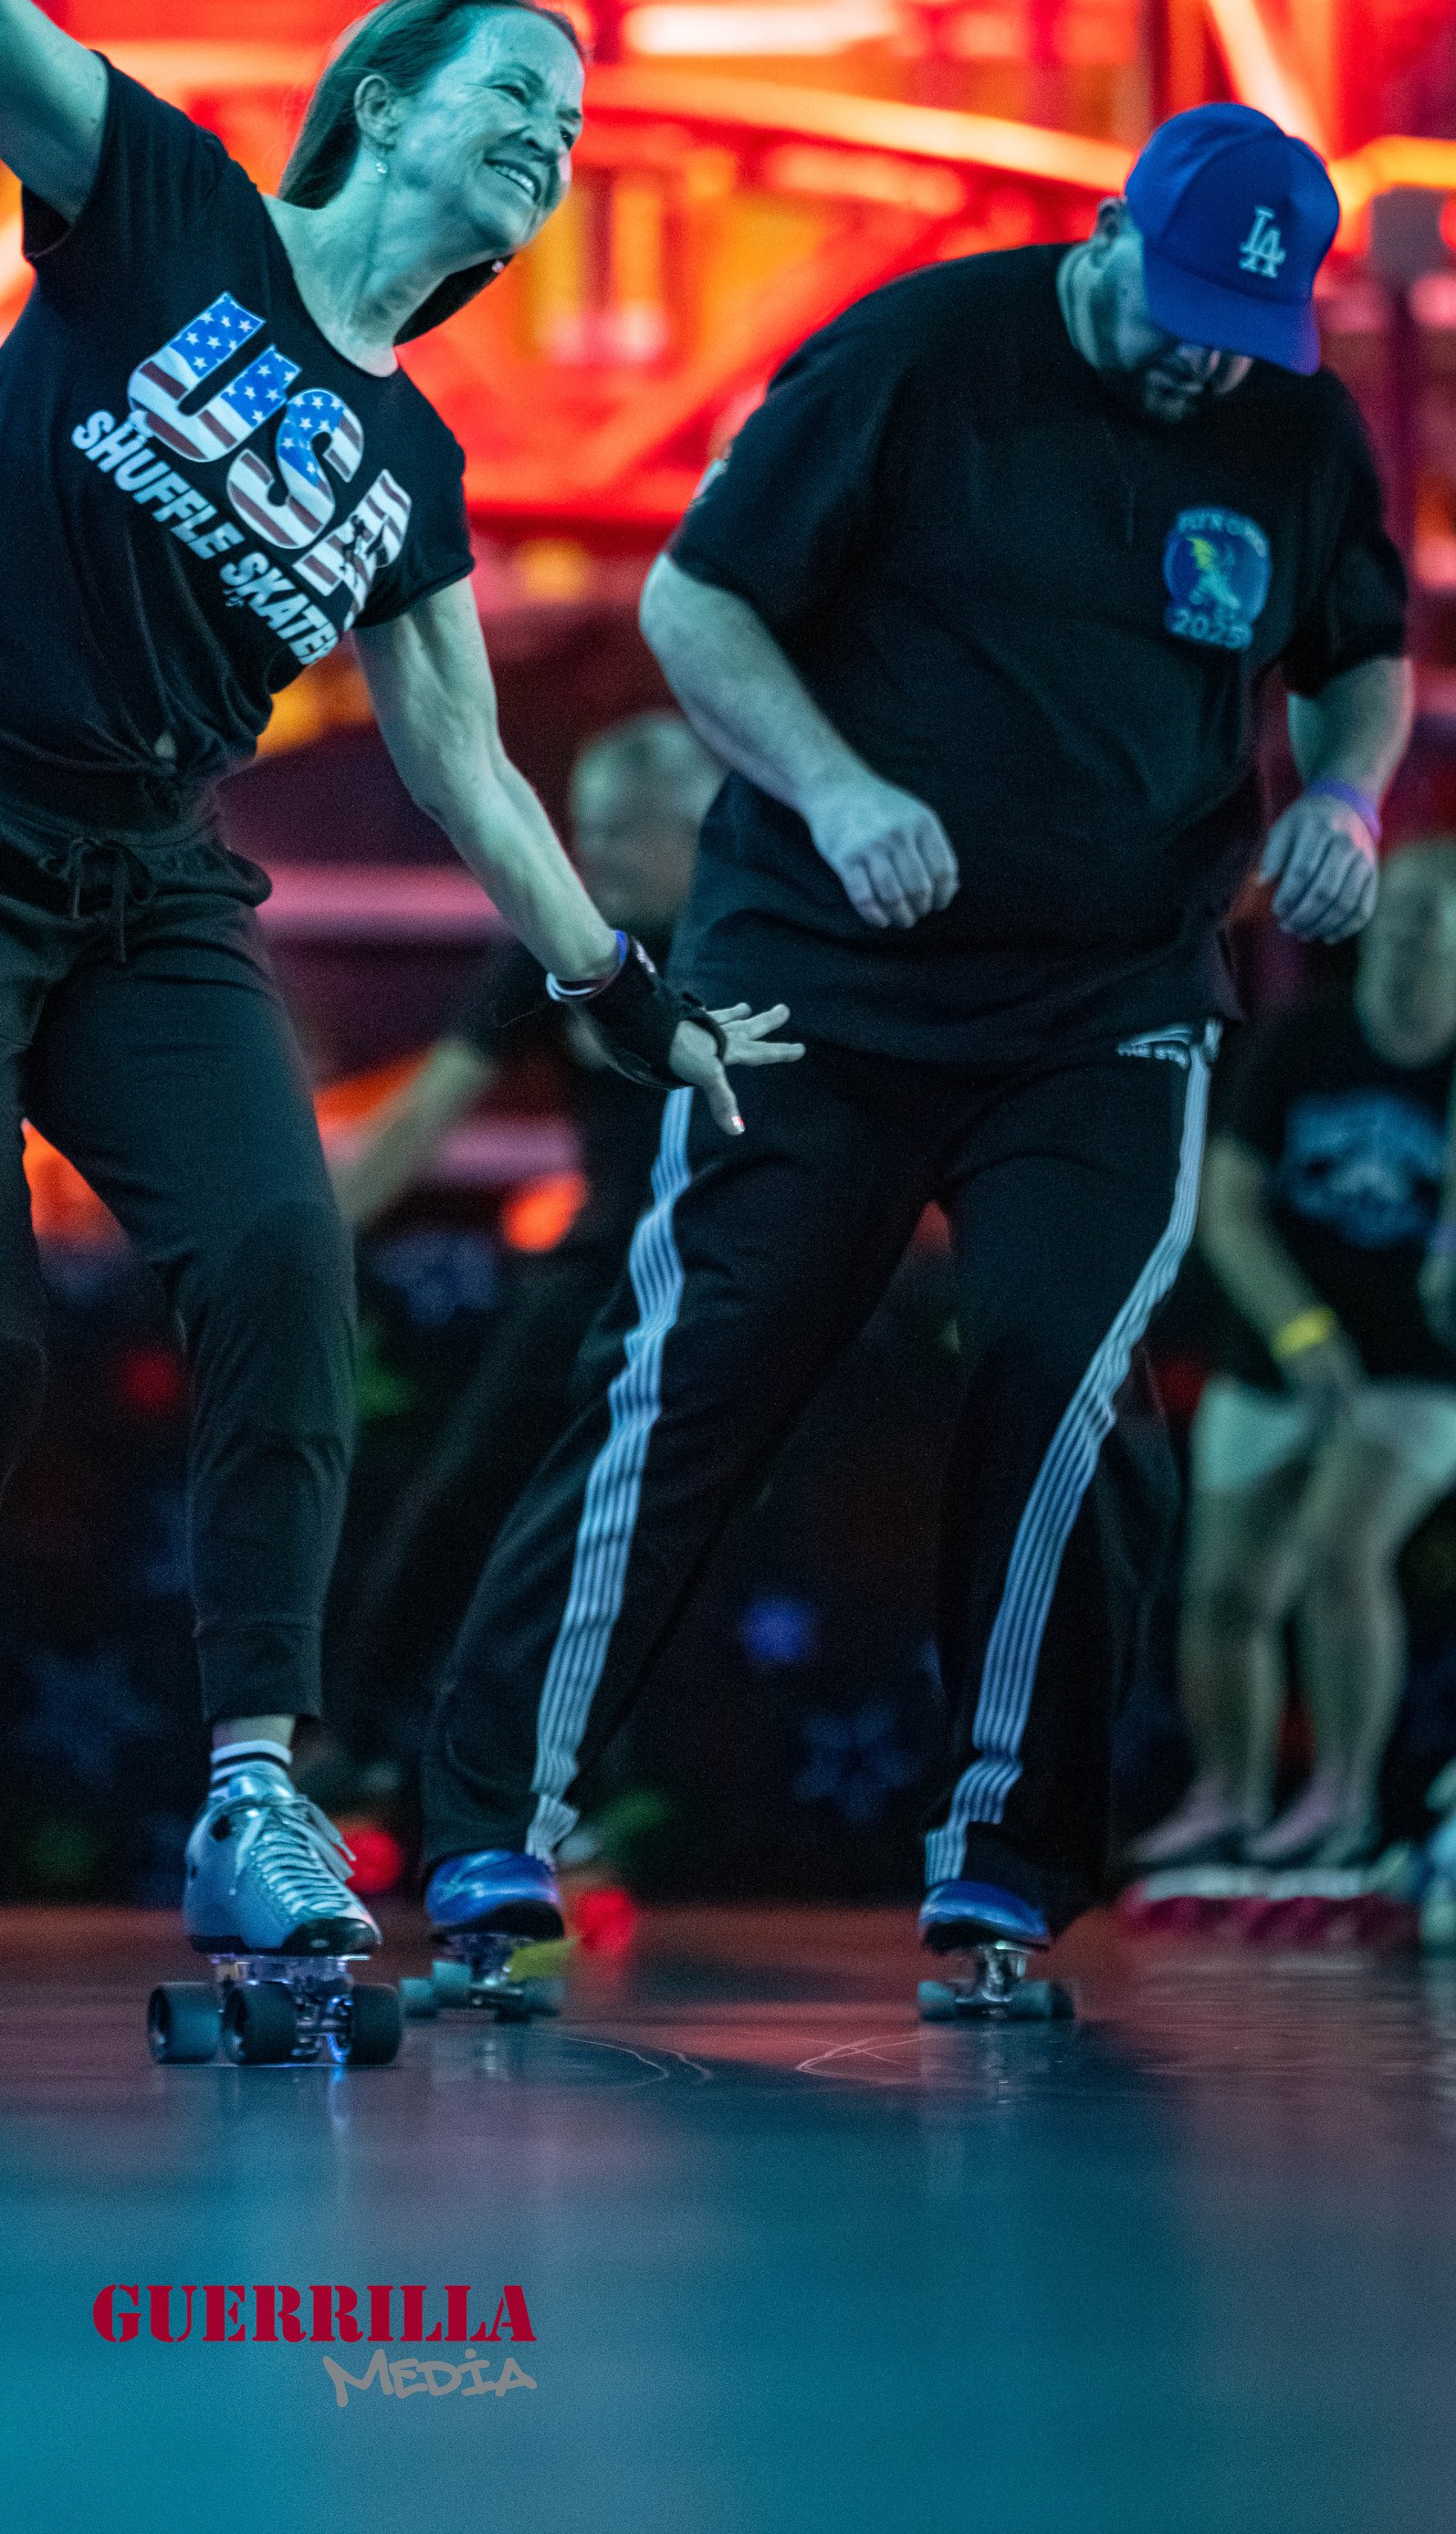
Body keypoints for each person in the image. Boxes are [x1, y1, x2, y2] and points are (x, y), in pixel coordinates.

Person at [0, 0, 794, 1973]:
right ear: (382, 104)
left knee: (280, 1266)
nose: (545, 139)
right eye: (509, 94)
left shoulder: (416, 465)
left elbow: (449, 747)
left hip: (139, 877)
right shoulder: (167, 212)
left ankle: (250, 1792)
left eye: (567, 129)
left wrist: (617, 973)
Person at [419, 99, 1412, 1984]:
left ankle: (1002, 1867)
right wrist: (837, 786)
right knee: (696, 1369)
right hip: (827, 973)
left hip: (1108, 999)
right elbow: (693, 598)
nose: (1201, 352)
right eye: (1178, 303)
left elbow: (1358, 644)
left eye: (1240, 329)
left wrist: (1345, 798)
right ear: (1108, 230)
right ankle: (492, 1826)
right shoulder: (919, 356)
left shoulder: (1286, 427)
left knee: (1060, 1373)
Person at [326, 712, 720, 1773]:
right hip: (602, 1276)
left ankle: (624, 1789)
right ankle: (365, 1744)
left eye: (626, 835)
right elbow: (422, 1116)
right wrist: (301, 1253)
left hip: (742, 1279)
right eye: (587, 833)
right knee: (466, 1494)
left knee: (664, 1541)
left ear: (702, 832)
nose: (595, 858)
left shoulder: (763, 939)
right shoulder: (569, 942)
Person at [1130, 840, 1456, 1872]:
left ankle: (1342, 1800)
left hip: (1417, 1372)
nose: (1403, 938)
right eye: (1394, 914)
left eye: (1428, 918)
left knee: (1336, 1550)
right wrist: (1303, 1335)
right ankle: (1228, 1794)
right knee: (1225, 1590)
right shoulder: (1300, 1041)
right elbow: (1226, 1210)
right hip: (1280, 1349)